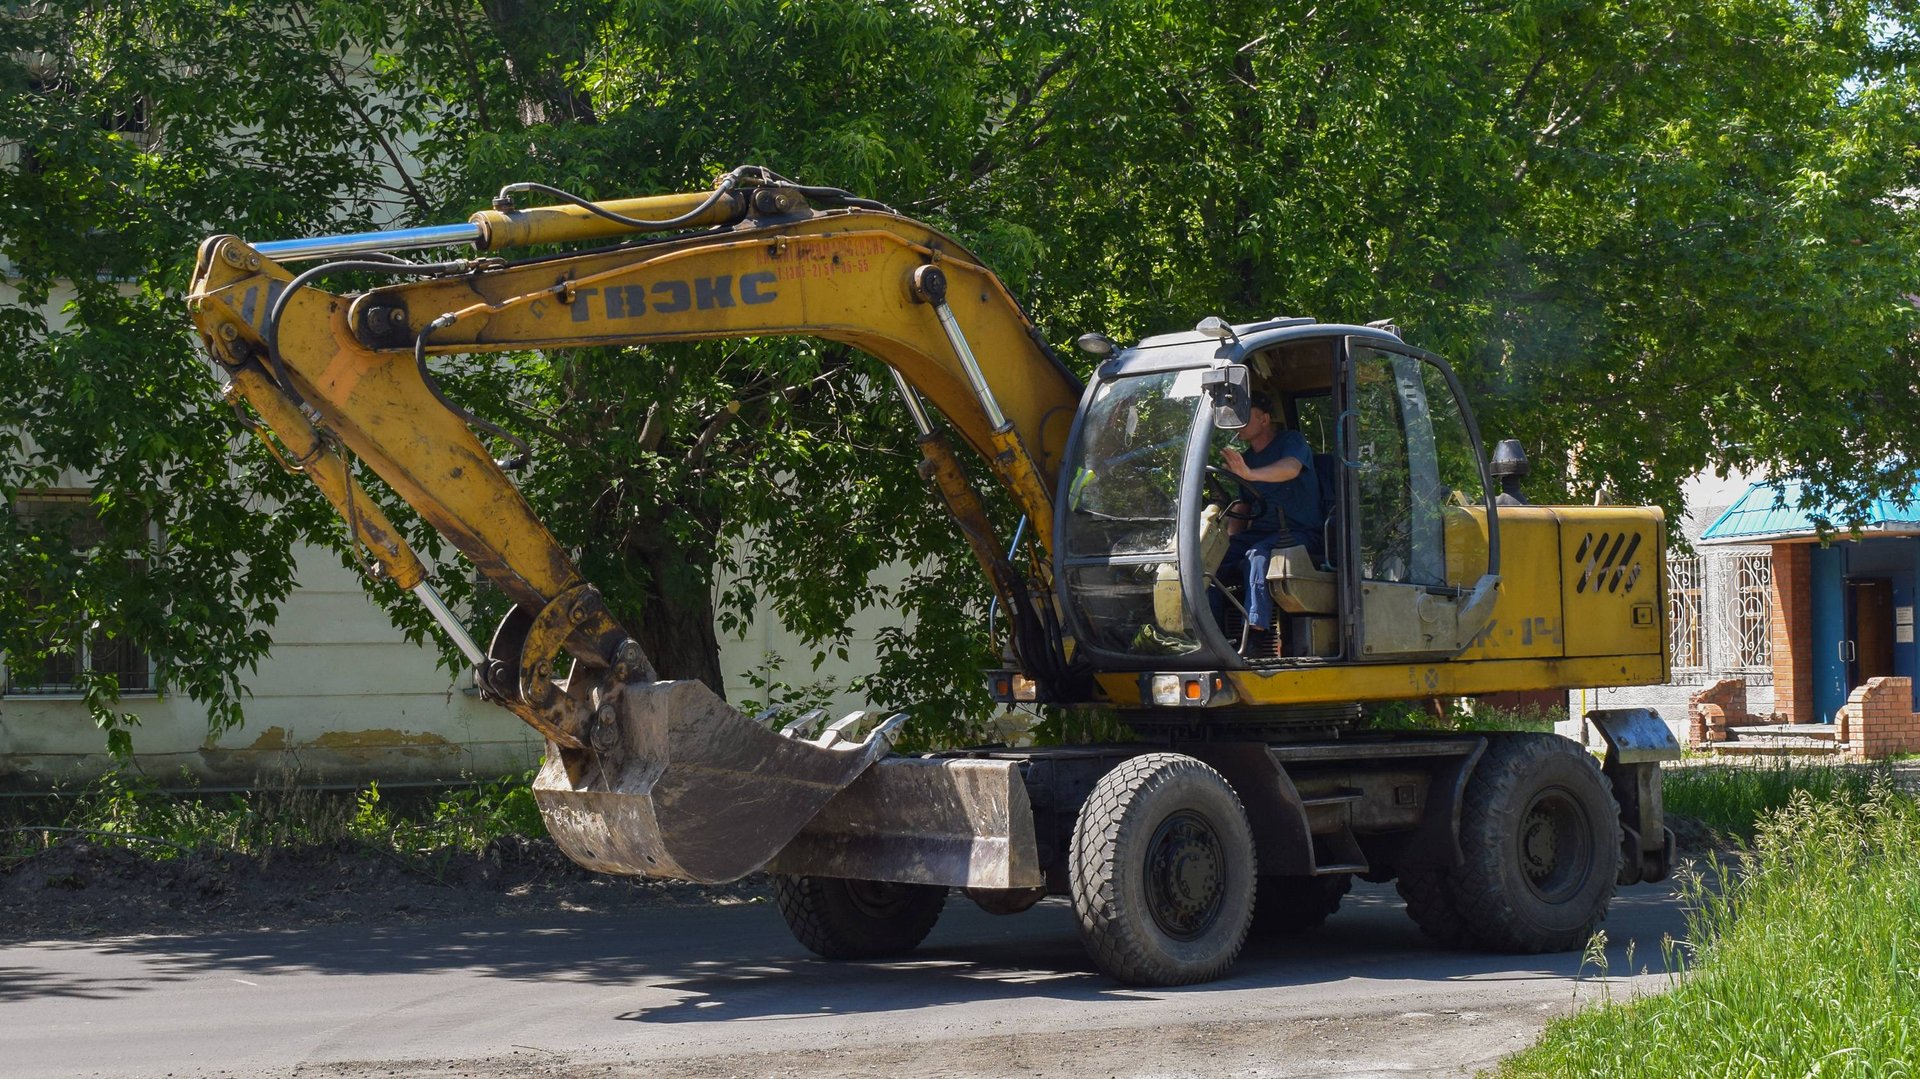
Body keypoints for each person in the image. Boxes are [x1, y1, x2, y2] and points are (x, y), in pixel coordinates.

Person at [1214, 391, 1324, 651]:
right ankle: (1213, 635)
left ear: (1264, 420)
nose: (1236, 421)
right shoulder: (1247, 458)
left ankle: (1256, 632)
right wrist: (1225, 543)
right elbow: (1244, 506)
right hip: (1262, 533)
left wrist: (1250, 474)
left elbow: (1290, 468)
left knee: (1258, 555)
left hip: (1300, 532)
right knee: (1212, 560)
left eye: (1243, 415)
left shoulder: (1291, 442)